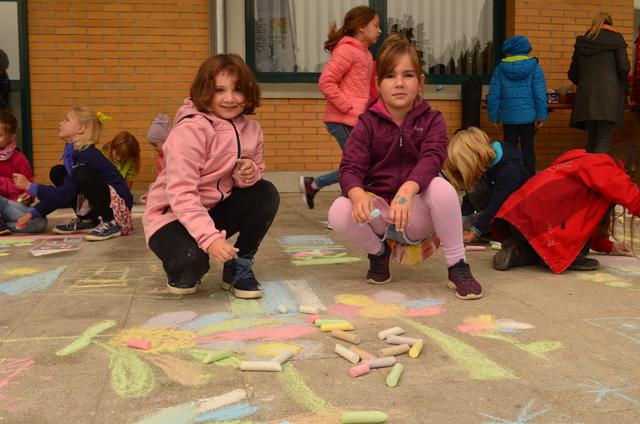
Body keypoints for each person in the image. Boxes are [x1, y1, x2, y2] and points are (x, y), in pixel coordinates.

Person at [327, 34, 483, 300]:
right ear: (378, 84)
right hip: (380, 217)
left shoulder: (433, 120)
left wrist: (408, 191)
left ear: (420, 83)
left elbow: (432, 157)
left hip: (414, 215)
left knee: (442, 188)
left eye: (408, 75)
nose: (399, 83)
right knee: (339, 210)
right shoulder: (366, 124)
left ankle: (457, 265)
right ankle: (378, 254)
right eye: (390, 76)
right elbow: (350, 167)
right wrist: (357, 194)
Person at [142, 54, 280, 299]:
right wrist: (210, 240)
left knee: (265, 192)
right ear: (205, 91)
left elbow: (255, 173)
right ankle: (183, 262)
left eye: (237, 89)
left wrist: (248, 172)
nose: (229, 98)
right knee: (190, 267)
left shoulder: (252, 130)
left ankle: (239, 265)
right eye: (219, 90)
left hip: (212, 208)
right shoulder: (191, 130)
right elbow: (182, 194)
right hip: (171, 216)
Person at [490, 144, 640, 274]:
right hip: (542, 225)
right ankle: (523, 250)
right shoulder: (605, 167)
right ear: (632, 166)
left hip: (516, 219)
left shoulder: (579, 162)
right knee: (574, 251)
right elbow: (633, 197)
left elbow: (588, 221)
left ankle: (517, 249)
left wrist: (609, 246)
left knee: (545, 249)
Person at [299, 5, 381, 209]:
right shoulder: (346, 50)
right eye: (376, 26)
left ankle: (314, 184)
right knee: (358, 165)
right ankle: (344, 208)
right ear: (362, 27)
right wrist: (347, 107)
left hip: (356, 119)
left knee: (360, 165)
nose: (379, 30)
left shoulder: (366, 54)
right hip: (343, 119)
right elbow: (326, 81)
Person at [12, 107, 133, 241]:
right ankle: (88, 219)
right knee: (58, 172)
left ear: (80, 128)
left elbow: (64, 195)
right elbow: (65, 190)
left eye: (66, 119)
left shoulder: (87, 155)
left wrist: (30, 186)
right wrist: (33, 213)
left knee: (81, 172)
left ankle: (111, 222)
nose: (61, 123)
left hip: (119, 210)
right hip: (105, 202)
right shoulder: (74, 151)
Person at [444, 127, 529, 244]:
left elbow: (497, 204)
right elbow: (469, 197)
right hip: (495, 208)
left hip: (517, 217)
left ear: (474, 157)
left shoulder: (509, 169)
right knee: (474, 186)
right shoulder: (485, 164)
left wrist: (474, 232)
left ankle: (502, 236)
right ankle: (488, 228)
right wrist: (461, 221)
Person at [568, 12, 630, 153]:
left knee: (591, 138)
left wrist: (586, 83)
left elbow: (572, 73)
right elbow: (623, 67)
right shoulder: (616, 40)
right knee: (603, 138)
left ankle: (589, 173)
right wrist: (616, 82)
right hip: (609, 97)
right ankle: (596, 174)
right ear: (610, 24)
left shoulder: (583, 41)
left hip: (586, 96)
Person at [487, 35, 547, 175]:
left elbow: (494, 94)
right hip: (528, 117)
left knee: (509, 149)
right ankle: (529, 179)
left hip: (509, 117)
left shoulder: (501, 69)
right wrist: (541, 115)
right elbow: (540, 94)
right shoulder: (535, 68)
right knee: (528, 148)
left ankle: (510, 177)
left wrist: (494, 116)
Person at [0, 110, 47, 234]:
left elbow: (28, 186)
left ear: (11, 137)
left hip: (9, 206)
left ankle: (5, 226)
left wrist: (27, 196)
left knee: (40, 222)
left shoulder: (19, 159)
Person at [140, 113, 169, 204]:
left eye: (156, 145)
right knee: (152, 186)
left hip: (172, 187)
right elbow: (159, 178)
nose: (155, 148)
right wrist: (150, 192)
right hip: (163, 186)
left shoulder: (173, 156)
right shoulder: (160, 157)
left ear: (166, 141)